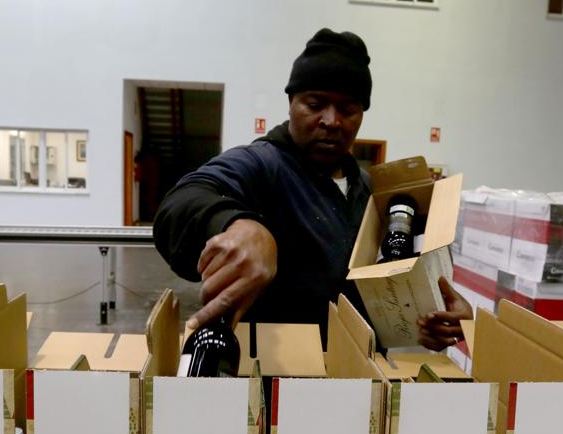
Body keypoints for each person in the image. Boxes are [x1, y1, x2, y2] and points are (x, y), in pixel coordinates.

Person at [153, 27, 470, 350]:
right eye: (315, 103)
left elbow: (388, 285)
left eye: (348, 109)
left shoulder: (369, 189)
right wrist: (236, 223)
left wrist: (433, 313)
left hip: (355, 375)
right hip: (272, 380)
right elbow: (182, 202)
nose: (331, 120)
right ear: (291, 102)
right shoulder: (262, 165)